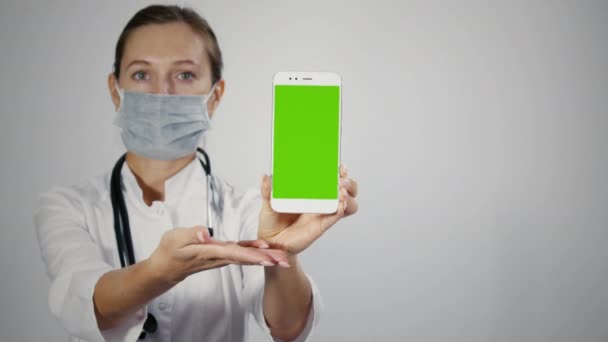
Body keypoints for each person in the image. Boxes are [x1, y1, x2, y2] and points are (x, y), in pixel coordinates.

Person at [33, 4, 359, 342]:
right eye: (142, 74)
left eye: (185, 74)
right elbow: (82, 304)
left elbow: (288, 328)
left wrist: (283, 252)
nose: (162, 93)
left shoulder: (249, 210)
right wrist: (159, 272)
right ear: (116, 90)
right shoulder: (67, 206)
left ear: (215, 96)